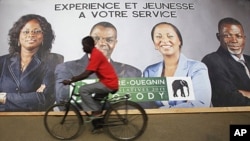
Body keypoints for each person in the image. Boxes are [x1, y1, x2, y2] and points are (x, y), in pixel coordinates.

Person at [55, 22, 141, 104]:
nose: (102, 43)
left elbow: (141, 103)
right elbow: (62, 98)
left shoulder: (132, 72)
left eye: (109, 40)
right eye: (96, 39)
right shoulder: (65, 68)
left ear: (115, 43)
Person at [0, 14, 63, 111]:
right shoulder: (2, 62)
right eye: (25, 31)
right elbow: (37, 98)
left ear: (44, 36)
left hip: (36, 121)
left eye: (37, 31)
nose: (31, 35)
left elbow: (44, 99)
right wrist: (32, 97)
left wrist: (5, 98)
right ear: (18, 36)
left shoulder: (53, 60)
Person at [143, 22, 211, 108]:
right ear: (155, 44)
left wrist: (160, 110)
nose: (164, 40)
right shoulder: (149, 72)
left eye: (170, 36)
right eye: (158, 37)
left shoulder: (196, 68)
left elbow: (200, 104)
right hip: (158, 121)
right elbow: (145, 107)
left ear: (179, 41)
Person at [62, 36, 119, 116]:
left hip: (108, 83)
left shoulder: (96, 54)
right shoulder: (95, 54)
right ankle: (98, 121)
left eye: (84, 46)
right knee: (95, 101)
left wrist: (72, 80)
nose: (83, 48)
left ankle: (97, 112)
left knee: (83, 90)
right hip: (108, 82)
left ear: (89, 45)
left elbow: (87, 73)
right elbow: (89, 71)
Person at [202, 17, 250, 107]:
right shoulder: (212, 60)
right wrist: (236, 94)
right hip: (234, 119)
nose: (234, 40)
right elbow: (228, 98)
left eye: (238, 36)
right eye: (227, 36)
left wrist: (242, 92)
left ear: (244, 38)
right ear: (218, 37)